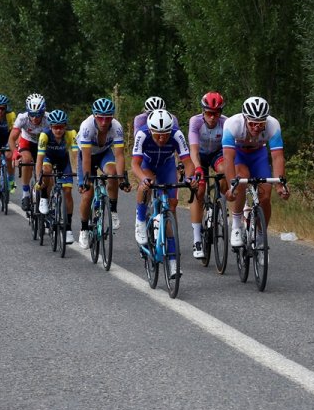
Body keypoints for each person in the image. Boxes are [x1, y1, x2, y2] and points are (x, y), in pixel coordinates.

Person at [131, 110, 197, 278]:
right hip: (147, 165)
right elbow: (135, 164)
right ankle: (140, 220)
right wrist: (143, 179)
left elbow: (188, 162)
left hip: (167, 166)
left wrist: (190, 178)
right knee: (146, 186)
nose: (162, 138)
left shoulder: (176, 134)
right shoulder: (142, 134)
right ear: (150, 130)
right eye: (158, 134)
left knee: (171, 207)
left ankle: (173, 261)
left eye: (165, 134)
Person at [222, 96, 290, 247]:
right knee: (241, 179)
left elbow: (277, 157)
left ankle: (260, 234)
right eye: (252, 123)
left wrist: (280, 185)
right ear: (245, 118)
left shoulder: (273, 125)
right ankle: (236, 225)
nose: (256, 128)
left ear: (266, 121)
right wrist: (231, 186)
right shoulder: (232, 124)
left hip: (258, 155)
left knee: (265, 195)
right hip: (239, 155)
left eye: (261, 124)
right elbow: (228, 158)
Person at [77, 97, 131, 249]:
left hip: (103, 153)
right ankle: (84, 229)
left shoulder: (117, 127)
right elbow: (86, 158)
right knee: (87, 194)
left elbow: (119, 156)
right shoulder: (87, 126)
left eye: (108, 118)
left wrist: (122, 179)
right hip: (86, 155)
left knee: (113, 174)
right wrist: (86, 180)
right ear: (94, 116)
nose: (104, 122)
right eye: (100, 118)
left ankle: (113, 210)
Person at [187, 92, 228, 259]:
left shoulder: (226, 123)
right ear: (203, 111)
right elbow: (193, 150)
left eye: (216, 113)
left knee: (225, 170)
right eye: (209, 113)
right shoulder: (195, 122)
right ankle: (197, 239)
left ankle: (220, 203)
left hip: (217, 154)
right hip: (200, 156)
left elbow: (229, 151)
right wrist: (198, 169)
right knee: (199, 189)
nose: (212, 117)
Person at [35, 109, 79, 244]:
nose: (58, 130)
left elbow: (76, 156)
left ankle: (68, 228)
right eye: (55, 127)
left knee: (67, 191)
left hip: (63, 161)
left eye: (61, 127)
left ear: (65, 126)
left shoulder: (71, 134)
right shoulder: (44, 135)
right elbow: (39, 159)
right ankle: (44, 197)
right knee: (46, 171)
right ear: (50, 127)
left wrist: (80, 174)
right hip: (48, 159)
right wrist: (38, 179)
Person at [9, 93, 50, 211]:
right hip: (27, 142)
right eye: (32, 115)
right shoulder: (22, 118)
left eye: (38, 115)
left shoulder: (49, 118)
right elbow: (12, 138)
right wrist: (15, 152)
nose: (34, 118)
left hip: (44, 144)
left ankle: (46, 199)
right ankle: (25, 194)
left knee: (47, 170)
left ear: (43, 112)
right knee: (26, 160)